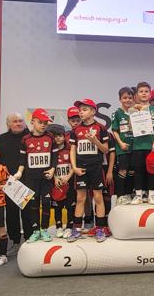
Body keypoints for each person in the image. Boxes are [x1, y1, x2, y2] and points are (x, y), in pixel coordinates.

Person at [69, 99, 111, 242]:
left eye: (84, 109)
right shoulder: (76, 130)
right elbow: (73, 150)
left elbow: (106, 150)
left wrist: (95, 141)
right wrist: (74, 167)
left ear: (93, 111)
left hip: (96, 168)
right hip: (81, 168)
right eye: (80, 110)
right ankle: (76, 230)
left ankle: (100, 229)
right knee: (80, 198)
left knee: (98, 198)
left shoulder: (101, 128)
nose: (81, 112)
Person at [19, 108, 56, 243]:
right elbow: (22, 159)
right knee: (33, 204)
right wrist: (19, 172)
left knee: (46, 203)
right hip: (31, 178)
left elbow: (54, 156)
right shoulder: (25, 139)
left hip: (46, 178)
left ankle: (44, 230)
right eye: (40, 122)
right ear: (32, 122)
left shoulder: (50, 137)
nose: (43, 125)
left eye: (45, 123)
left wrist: (52, 170)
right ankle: (35, 231)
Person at [0, 113, 30, 252]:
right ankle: (15, 242)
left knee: (28, 212)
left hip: (28, 179)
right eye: (15, 121)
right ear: (8, 124)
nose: (18, 123)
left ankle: (29, 240)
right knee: (11, 213)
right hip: (10, 181)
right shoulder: (2, 139)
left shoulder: (30, 137)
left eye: (20, 121)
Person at [129, 82, 154, 204]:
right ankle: (138, 195)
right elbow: (130, 128)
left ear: (150, 94)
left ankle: (151, 194)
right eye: (141, 91)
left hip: (151, 145)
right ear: (137, 94)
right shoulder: (133, 109)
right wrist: (135, 113)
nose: (144, 93)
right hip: (137, 145)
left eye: (146, 91)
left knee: (151, 171)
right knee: (138, 171)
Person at [49, 123, 76, 239]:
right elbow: (49, 167)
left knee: (70, 206)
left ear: (64, 136)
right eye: (55, 136)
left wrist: (68, 177)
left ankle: (69, 227)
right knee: (57, 207)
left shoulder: (70, 148)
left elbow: (74, 165)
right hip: (56, 184)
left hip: (69, 182)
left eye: (60, 135)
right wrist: (55, 178)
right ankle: (59, 227)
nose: (58, 138)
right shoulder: (50, 151)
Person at [111, 87, 135, 205]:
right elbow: (114, 130)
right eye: (125, 98)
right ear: (120, 99)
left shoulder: (135, 112)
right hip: (123, 147)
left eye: (130, 98)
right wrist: (120, 143)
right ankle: (120, 196)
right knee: (123, 170)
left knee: (132, 171)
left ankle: (128, 194)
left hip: (134, 146)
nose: (127, 100)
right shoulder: (116, 113)